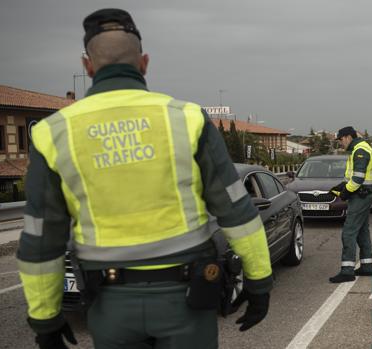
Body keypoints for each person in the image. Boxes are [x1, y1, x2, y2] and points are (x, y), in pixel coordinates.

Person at [16, 8, 272, 349]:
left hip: (110, 305)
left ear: (87, 66)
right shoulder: (187, 120)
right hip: (185, 301)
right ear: (144, 62)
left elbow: (41, 236)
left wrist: (45, 318)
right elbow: (236, 211)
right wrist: (258, 282)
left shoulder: (53, 132)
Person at [329, 126, 372, 283]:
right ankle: (367, 267)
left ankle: (347, 271)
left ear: (348, 137)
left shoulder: (360, 150)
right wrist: (342, 186)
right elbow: (352, 177)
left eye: (341, 140)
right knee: (362, 232)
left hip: (360, 196)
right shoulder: (359, 148)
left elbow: (357, 179)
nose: (340, 143)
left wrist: (345, 192)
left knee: (348, 232)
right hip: (362, 194)